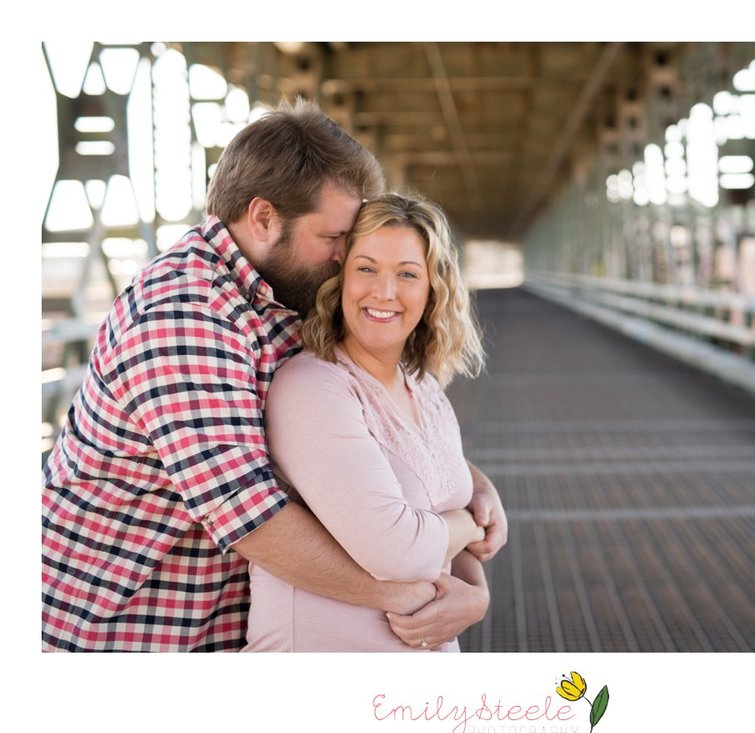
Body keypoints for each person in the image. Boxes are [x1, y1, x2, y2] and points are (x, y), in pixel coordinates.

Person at [41, 99, 506, 652]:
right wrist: (419, 597)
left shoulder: (287, 297)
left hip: (221, 625)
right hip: (126, 628)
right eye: (335, 238)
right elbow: (250, 517)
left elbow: (368, 434)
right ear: (264, 218)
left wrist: (468, 483)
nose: (343, 259)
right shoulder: (185, 312)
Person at [244, 193, 488, 651]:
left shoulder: (425, 389)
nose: (384, 292)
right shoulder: (312, 387)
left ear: (433, 290)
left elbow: (445, 528)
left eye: (408, 274)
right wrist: (472, 523)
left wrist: (477, 596)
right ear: (340, 280)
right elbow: (399, 550)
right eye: (367, 268)